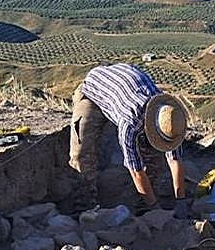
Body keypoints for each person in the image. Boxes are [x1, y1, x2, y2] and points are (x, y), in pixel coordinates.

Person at [69, 63, 188, 214]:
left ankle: (141, 205)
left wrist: (181, 200)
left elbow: (175, 159)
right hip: (93, 93)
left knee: (153, 157)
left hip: (121, 90)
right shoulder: (130, 122)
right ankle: (85, 206)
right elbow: (136, 171)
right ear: (149, 127)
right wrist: (155, 208)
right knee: (80, 155)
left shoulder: (169, 114)